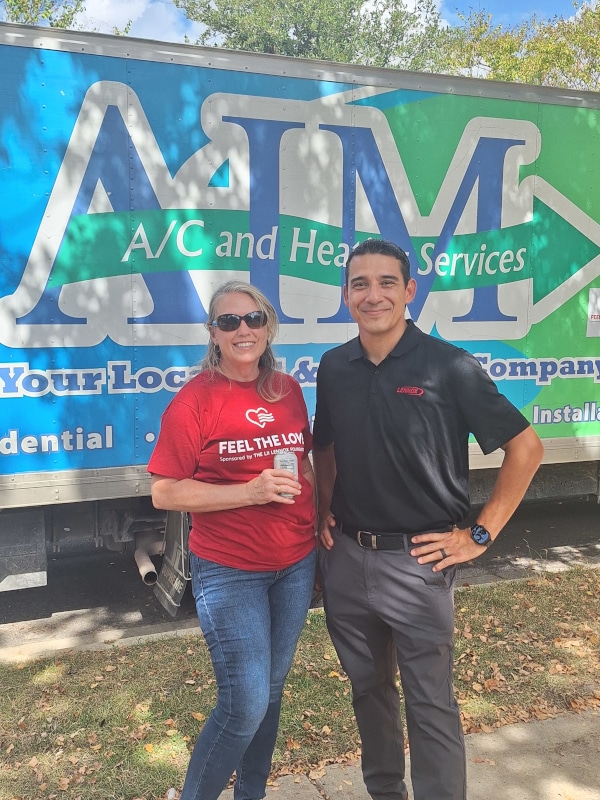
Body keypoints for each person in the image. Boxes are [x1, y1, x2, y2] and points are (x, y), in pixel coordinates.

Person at [312, 239, 544, 800]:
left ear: (409, 291)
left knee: (430, 703)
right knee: (368, 693)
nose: (373, 295)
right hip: (346, 557)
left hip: (418, 562)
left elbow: (526, 448)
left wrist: (480, 534)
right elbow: (325, 448)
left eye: (387, 282)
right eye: (360, 284)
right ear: (346, 295)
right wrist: (322, 511)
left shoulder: (450, 367)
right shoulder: (334, 366)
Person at [148, 280, 317, 800]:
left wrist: (324, 516)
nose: (243, 330)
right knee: (243, 702)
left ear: (268, 327)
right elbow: (164, 492)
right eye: (229, 322)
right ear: (213, 334)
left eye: (253, 319)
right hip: (230, 569)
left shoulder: (287, 390)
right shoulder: (195, 399)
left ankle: (252, 793)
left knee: (267, 692)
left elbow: (304, 462)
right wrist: (250, 492)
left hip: (296, 561)